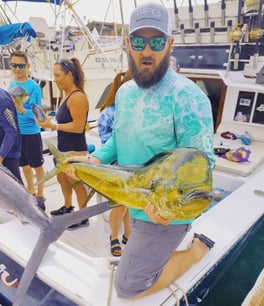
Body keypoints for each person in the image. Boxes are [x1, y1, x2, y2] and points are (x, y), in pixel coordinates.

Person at [63, 2, 215, 299]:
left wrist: (166, 214)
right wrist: (92, 160)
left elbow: (202, 170)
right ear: (128, 44)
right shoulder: (125, 92)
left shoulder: (188, 97)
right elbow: (119, 141)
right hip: (131, 199)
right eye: (139, 41)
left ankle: (197, 250)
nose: (147, 50)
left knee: (128, 287)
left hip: (164, 214)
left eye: (157, 41)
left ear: (170, 44)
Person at [36, 57, 89, 230]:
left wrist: (53, 125)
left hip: (75, 151)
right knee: (62, 180)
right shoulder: (67, 97)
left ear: (70, 75)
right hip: (63, 148)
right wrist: (50, 121)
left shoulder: (78, 97)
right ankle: (68, 207)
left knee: (76, 184)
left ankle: (83, 217)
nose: (55, 79)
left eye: (58, 75)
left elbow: (78, 126)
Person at [98, 70, 132, 257]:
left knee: (127, 204)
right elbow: (110, 144)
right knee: (119, 206)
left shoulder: (132, 111)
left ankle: (128, 235)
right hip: (116, 167)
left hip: (130, 167)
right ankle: (114, 237)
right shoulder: (110, 113)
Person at [9, 50, 45, 207]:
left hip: (31, 133)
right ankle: (31, 192)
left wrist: (22, 109)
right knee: (23, 165)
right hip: (17, 133)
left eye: (21, 65)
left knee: (37, 165)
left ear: (28, 66)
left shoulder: (34, 88)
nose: (17, 69)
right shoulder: (12, 84)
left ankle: (41, 195)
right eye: (14, 65)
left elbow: (39, 115)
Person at [0, 88, 23, 183]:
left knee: (17, 190)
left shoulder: (2, 100)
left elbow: (11, 131)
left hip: (8, 154)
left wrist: (1, 156)